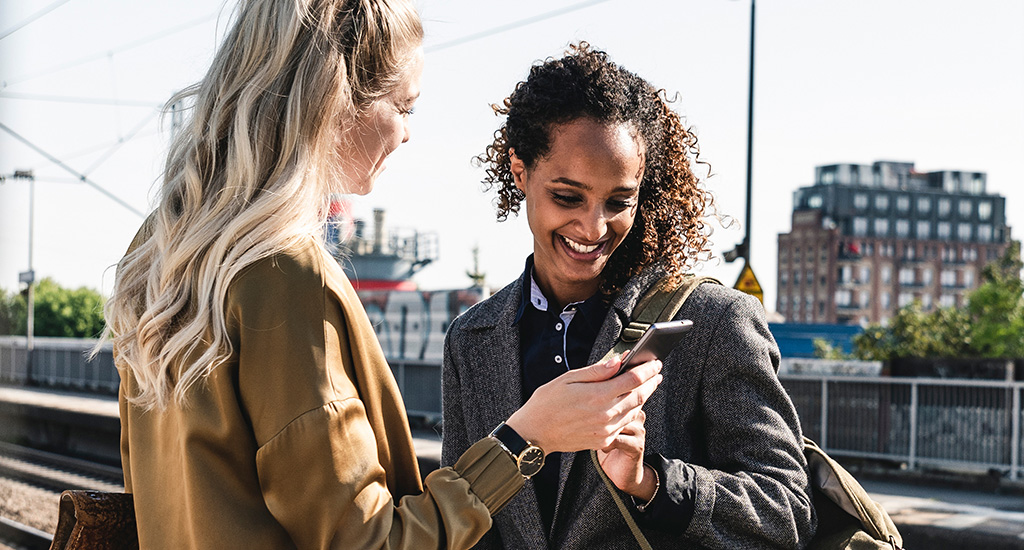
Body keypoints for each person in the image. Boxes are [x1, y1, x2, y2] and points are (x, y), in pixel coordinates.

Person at [101, 3, 663, 548]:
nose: (408, 134)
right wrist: (527, 436)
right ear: (336, 98)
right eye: (405, 107)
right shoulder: (285, 274)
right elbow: (369, 542)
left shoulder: (163, 250)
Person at [441, 43, 816, 549]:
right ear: (520, 170)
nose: (594, 227)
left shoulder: (716, 321)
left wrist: (651, 482)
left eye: (619, 201)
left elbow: (787, 512)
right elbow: (462, 519)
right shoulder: (470, 339)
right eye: (568, 196)